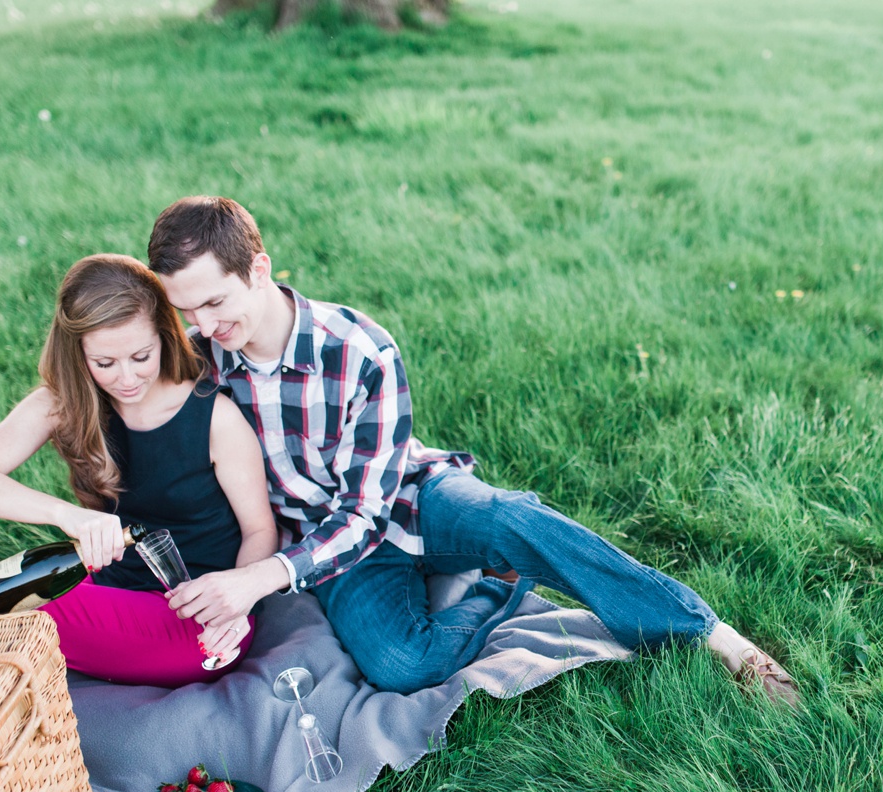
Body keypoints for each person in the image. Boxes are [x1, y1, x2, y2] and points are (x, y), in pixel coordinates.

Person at [145, 197, 799, 704]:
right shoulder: (201, 361)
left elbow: (368, 512)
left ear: (258, 270)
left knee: (513, 522)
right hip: (322, 546)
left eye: (214, 302)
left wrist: (257, 580)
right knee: (403, 667)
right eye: (186, 311)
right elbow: (100, 379)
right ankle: (500, 584)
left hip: (406, 495)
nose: (203, 327)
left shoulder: (361, 350)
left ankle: (714, 637)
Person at [0, 254, 277, 688]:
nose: (126, 378)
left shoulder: (214, 418)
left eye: (141, 356)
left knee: (24, 602)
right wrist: (68, 515)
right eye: (104, 363)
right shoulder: (69, 402)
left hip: (200, 623)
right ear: (78, 351)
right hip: (114, 595)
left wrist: (235, 604)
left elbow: (260, 530)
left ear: (164, 335)